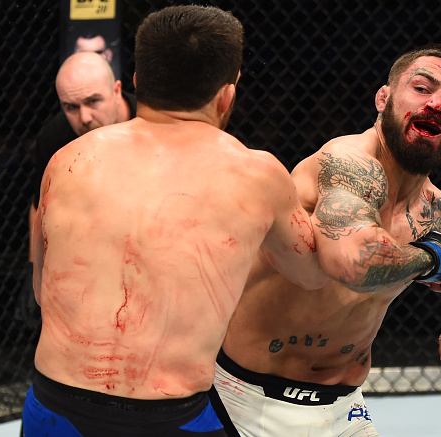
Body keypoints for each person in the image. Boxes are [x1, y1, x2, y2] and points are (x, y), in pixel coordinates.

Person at [23, 5, 327, 436]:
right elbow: (313, 274)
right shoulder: (256, 174)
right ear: (227, 95)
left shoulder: (67, 159)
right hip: (171, 417)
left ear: (134, 83)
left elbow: (41, 293)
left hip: (54, 405)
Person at [211, 44, 441, 436]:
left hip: (343, 409)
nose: (438, 104)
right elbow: (355, 263)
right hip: (245, 398)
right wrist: (434, 256)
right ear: (383, 98)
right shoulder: (345, 164)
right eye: (423, 89)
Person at [20, 51, 137, 327]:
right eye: (71, 107)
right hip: (93, 255)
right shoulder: (55, 137)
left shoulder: (151, 122)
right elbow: (40, 206)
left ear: (117, 89)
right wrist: (33, 267)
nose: (84, 117)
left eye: (93, 101)